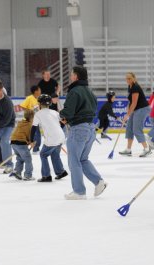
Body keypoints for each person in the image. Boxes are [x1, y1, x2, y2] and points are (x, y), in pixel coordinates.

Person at [60, 66, 106, 199]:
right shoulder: (89, 91)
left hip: (79, 129)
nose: (70, 76)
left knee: (74, 160)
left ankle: (79, 192)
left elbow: (68, 112)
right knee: (82, 159)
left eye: (71, 74)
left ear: (76, 76)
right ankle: (99, 182)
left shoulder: (74, 91)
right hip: (91, 129)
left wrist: (62, 115)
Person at [31, 94, 68, 182]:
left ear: (39, 104)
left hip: (51, 139)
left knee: (43, 154)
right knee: (55, 155)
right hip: (60, 136)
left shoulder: (38, 114)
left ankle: (46, 176)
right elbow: (63, 122)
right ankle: (61, 172)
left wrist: (31, 140)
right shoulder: (54, 112)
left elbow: (33, 128)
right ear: (50, 104)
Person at [119, 72, 151, 157]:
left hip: (142, 109)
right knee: (129, 128)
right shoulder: (130, 87)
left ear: (134, 78)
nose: (128, 80)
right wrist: (128, 111)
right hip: (136, 109)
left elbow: (134, 103)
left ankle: (146, 149)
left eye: (129, 78)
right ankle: (128, 150)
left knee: (137, 129)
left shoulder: (135, 87)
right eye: (127, 78)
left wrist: (128, 114)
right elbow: (130, 102)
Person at [10, 109, 35, 181]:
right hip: (21, 143)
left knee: (20, 158)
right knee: (28, 159)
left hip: (13, 142)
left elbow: (22, 133)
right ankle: (28, 175)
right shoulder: (29, 125)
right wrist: (31, 142)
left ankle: (17, 172)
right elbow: (29, 135)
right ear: (32, 117)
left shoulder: (21, 122)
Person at [19, 85, 41, 153]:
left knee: (36, 134)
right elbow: (22, 106)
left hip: (36, 119)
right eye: (39, 90)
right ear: (36, 91)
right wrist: (29, 112)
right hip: (30, 119)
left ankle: (35, 148)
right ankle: (35, 149)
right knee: (35, 134)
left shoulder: (39, 99)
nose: (40, 91)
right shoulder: (29, 98)